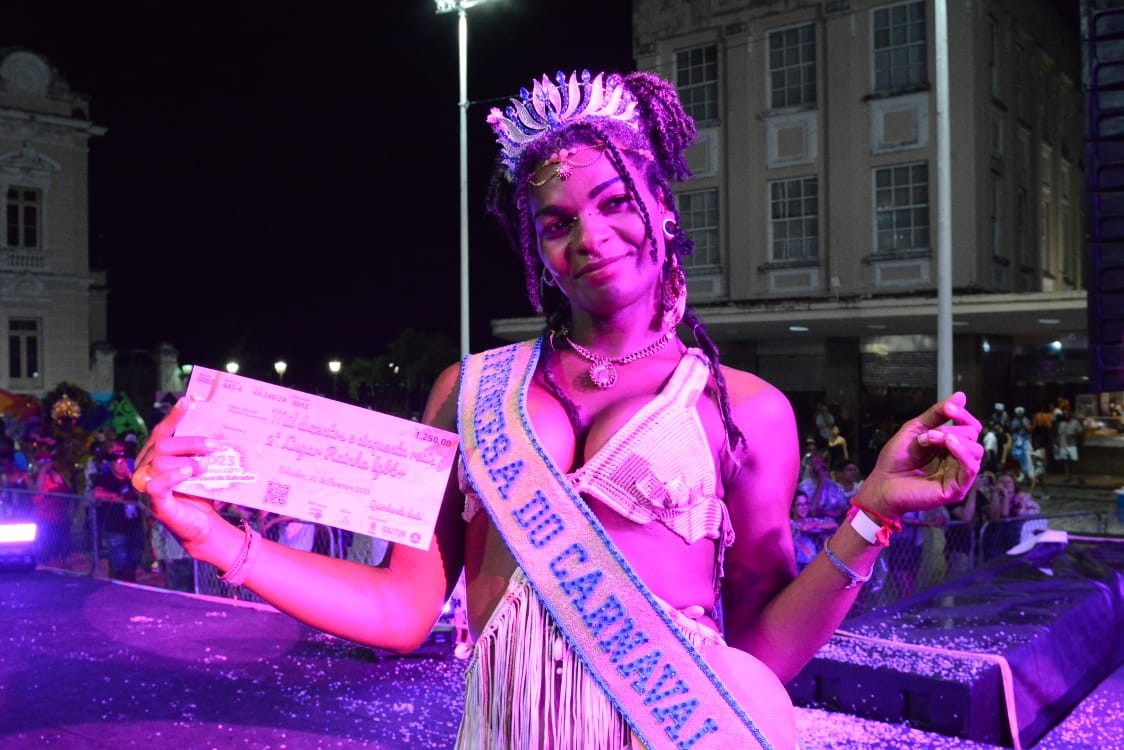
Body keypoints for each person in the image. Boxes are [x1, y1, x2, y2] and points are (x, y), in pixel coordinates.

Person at [132, 68, 982, 749]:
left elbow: (759, 651)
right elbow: (401, 610)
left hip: (673, 728)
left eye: (615, 203)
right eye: (556, 221)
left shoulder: (744, 407)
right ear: (536, 246)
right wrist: (212, 534)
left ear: (663, 207)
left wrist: (869, 513)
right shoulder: (469, 391)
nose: (589, 237)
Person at [91, 440, 146, 582]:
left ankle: (130, 588)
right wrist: (115, 497)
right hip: (115, 529)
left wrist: (128, 473)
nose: (120, 464)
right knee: (120, 564)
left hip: (134, 527)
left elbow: (143, 490)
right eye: (117, 462)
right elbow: (96, 493)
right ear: (111, 464)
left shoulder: (132, 478)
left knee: (133, 562)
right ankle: (117, 589)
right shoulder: (106, 478)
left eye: (123, 461)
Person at [789, 489, 837, 573]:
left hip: (814, 565)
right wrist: (814, 525)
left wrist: (815, 524)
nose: (804, 508)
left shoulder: (811, 521)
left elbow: (834, 525)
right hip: (797, 567)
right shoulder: (789, 523)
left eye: (806, 504)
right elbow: (803, 528)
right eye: (800, 505)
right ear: (792, 508)